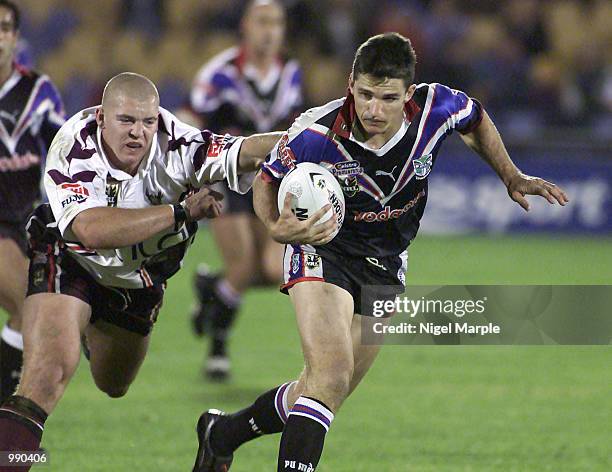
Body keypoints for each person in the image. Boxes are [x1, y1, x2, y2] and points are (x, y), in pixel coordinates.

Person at [191, 33, 569, 472]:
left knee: (325, 389)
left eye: (387, 98)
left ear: (407, 94)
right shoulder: (318, 130)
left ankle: (222, 435)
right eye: (365, 94)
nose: (373, 109)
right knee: (330, 375)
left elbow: (476, 119)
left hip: (387, 262)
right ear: (351, 83)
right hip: (323, 247)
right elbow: (267, 178)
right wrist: (277, 226)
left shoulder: (435, 107)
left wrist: (511, 174)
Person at [0, 72, 281, 468]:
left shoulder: (179, 143)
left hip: (141, 279)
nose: (138, 133)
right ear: (101, 118)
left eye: (147, 122)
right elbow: (91, 230)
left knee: (114, 383)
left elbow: (247, 151)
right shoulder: (74, 145)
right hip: (72, 260)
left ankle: (85, 325)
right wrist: (181, 211)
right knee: (45, 378)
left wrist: (313, 137)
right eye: (126, 121)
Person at [186, 0, 303, 380]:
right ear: (245, 27)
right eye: (262, 21)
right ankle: (217, 351)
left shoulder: (291, 73)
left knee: (272, 269)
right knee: (241, 268)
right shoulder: (220, 73)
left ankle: (211, 290)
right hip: (226, 179)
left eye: (277, 23)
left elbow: (294, 126)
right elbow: (190, 118)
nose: (270, 30)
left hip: (270, 180)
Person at [0, 0, 65, 402]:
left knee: (39, 313)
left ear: (15, 36)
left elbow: (66, 150)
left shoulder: (39, 91)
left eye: (4, 27)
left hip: (27, 222)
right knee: (30, 309)